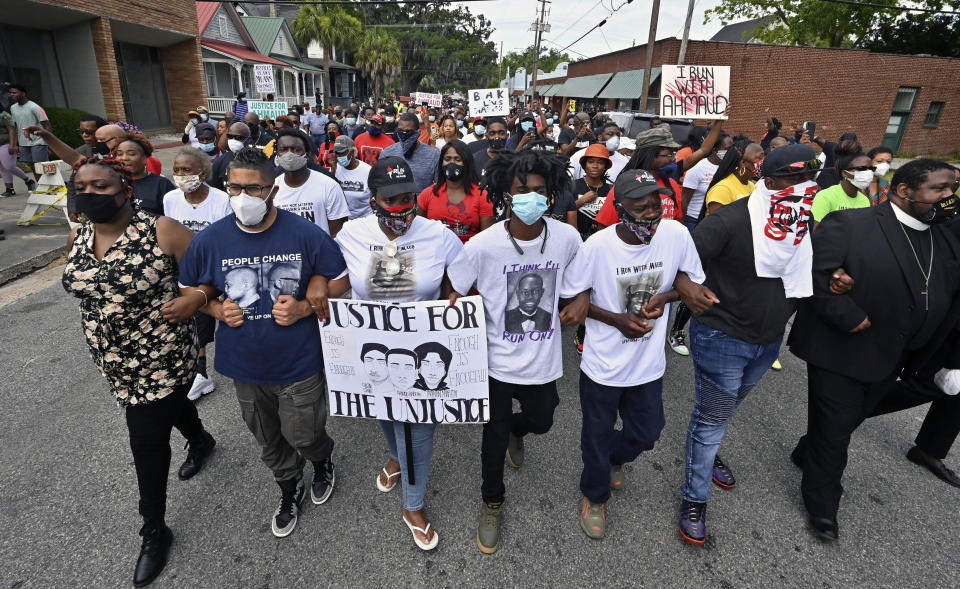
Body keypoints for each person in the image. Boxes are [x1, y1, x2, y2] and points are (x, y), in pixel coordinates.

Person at [177, 147, 346, 539]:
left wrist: (305, 306)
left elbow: (339, 279)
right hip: (245, 365)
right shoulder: (211, 240)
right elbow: (190, 288)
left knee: (305, 433)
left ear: (271, 190)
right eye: (234, 187)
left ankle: (321, 460)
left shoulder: (304, 233)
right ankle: (289, 487)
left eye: (252, 188)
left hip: (300, 359)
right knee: (268, 439)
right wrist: (216, 310)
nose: (242, 197)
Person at [63, 156, 217, 586]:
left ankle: (153, 530)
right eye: (83, 187)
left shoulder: (161, 229)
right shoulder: (79, 235)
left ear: (126, 189)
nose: (90, 194)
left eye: (101, 186)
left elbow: (211, 272)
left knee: (146, 440)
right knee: (167, 411)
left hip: (162, 355)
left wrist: (198, 297)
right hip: (113, 359)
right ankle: (201, 440)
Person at [788, 158, 960, 541]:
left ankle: (807, 451)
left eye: (953, 189)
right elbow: (811, 273)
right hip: (842, 350)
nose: (948, 197)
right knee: (835, 433)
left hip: (899, 356)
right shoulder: (852, 225)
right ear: (904, 190)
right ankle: (823, 505)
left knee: (846, 420)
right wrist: (845, 312)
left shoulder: (944, 236)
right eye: (939, 190)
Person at [676, 144, 821, 547]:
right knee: (711, 420)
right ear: (769, 181)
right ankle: (694, 498)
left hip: (767, 341)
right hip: (723, 338)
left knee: (721, 412)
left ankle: (706, 454)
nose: (805, 186)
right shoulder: (730, 221)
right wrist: (687, 289)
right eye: (794, 179)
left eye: (810, 178)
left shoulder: (801, 223)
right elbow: (677, 259)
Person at [446, 148, 588, 554]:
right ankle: (492, 501)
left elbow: (580, 284)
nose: (531, 198)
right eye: (521, 190)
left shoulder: (567, 238)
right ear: (505, 195)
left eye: (539, 191)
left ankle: (517, 431)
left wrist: (581, 301)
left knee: (542, 421)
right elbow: (453, 286)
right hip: (495, 364)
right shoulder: (482, 245)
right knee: (491, 438)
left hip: (544, 362)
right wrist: (452, 304)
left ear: (552, 194)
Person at [563, 169, 707, 540]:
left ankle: (614, 458)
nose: (650, 213)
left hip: (648, 365)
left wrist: (668, 297)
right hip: (604, 366)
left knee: (648, 433)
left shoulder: (676, 233)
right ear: (619, 207)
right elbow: (576, 300)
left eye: (655, 204)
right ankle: (594, 495)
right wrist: (616, 320)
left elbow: (686, 279)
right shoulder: (596, 247)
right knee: (595, 434)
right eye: (639, 206)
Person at [328, 156, 463, 551]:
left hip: (423, 350)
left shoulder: (437, 235)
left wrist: (455, 295)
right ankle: (395, 456)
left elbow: (462, 276)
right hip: (371, 347)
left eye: (408, 198)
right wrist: (317, 297)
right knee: (385, 411)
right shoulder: (351, 234)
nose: (402, 207)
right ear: (373, 200)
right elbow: (335, 281)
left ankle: (413, 505)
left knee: (419, 426)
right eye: (391, 200)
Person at [162, 147, 232, 401]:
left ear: (202, 172)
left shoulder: (222, 200)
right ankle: (197, 372)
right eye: (177, 170)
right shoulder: (170, 199)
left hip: (213, 270)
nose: (181, 175)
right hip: (184, 270)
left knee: (210, 315)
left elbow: (227, 240)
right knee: (188, 320)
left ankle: (208, 370)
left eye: (187, 170)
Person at [594, 123, 727, 227]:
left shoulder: (671, 183)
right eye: (668, 155)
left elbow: (704, 150)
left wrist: (719, 121)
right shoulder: (625, 186)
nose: (673, 159)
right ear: (651, 156)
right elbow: (604, 227)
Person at [272, 128, 349, 237]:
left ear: (307, 154)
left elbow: (336, 232)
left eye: (296, 149)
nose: (289, 154)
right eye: (284, 149)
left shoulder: (329, 186)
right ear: (277, 154)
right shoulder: (271, 187)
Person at [417, 140, 493, 242]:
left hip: (469, 255)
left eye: (458, 159)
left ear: (466, 163)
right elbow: (419, 232)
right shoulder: (427, 194)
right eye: (447, 159)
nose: (452, 163)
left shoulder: (482, 196)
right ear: (441, 163)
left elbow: (486, 239)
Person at [811, 141, 874, 230]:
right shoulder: (825, 197)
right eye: (861, 169)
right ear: (845, 173)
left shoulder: (865, 201)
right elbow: (813, 232)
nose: (868, 173)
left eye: (871, 169)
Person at [680, 133, 732, 230]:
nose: (730, 152)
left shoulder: (730, 168)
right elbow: (684, 199)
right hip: (694, 221)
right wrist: (682, 225)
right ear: (715, 150)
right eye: (726, 149)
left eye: (732, 149)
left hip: (717, 220)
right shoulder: (698, 167)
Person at [114, 134, 174, 216]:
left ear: (144, 158)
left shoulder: (162, 184)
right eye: (120, 154)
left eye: (131, 154)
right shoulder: (113, 183)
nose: (124, 158)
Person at [379, 113, 440, 193]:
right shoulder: (387, 153)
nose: (404, 134)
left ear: (417, 132)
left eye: (408, 131)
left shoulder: (433, 155)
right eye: (400, 131)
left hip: (420, 204)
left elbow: (439, 187)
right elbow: (381, 184)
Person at [8, 83, 50, 181]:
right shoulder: (13, 108)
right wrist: (14, 144)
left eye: (15, 92)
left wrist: (49, 143)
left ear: (23, 93)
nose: (12, 95)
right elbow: (16, 126)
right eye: (11, 93)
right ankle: (41, 186)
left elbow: (47, 125)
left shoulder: (34, 107)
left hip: (38, 141)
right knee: (33, 166)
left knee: (40, 165)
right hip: (24, 143)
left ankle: (51, 185)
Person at [328, 135, 373, 220]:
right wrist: (333, 171)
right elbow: (329, 194)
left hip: (364, 219)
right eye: (336, 153)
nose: (338, 156)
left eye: (342, 153)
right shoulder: (334, 168)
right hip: (342, 220)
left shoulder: (367, 170)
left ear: (352, 152)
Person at [0, 104, 34, 196]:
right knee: (3, 168)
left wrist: (13, 145)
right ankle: (9, 190)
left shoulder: (4, 115)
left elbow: (12, 130)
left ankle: (28, 180)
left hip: (6, 144)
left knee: (9, 166)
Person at [209, 122, 252, 190]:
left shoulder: (258, 160)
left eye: (239, 137)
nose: (233, 140)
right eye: (230, 136)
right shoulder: (219, 162)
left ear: (249, 140)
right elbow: (214, 189)